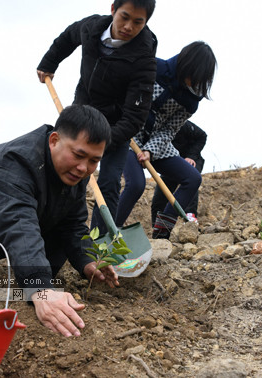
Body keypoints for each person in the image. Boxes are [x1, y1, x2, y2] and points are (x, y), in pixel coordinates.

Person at [0, 105, 118, 337]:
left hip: (0, 235)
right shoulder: (18, 160)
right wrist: (40, 288)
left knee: (57, 229)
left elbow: (73, 225)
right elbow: (17, 222)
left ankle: (35, 287)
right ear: (54, 140)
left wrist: (89, 261)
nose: (83, 168)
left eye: (93, 161)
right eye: (78, 155)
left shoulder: (75, 173)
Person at [36, 0, 158, 235]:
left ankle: (100, 244)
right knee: (61, 166)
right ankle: (52, 228)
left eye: (138, 22)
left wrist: (101, 143)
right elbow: (68, 37)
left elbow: (135, 116)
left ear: (146, 23)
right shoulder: (92, 28)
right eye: (124, 17)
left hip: (116, 126)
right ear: (113, 9)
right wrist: (49, 62)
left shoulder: (144, 59)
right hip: (82, 111)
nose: (128, 27)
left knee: (109, 182)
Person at [114, 41, 217, 239]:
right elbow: (126, 96)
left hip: (157, 142)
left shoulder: (191, 100)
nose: (193, 82)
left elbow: (170, 129)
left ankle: (161, 234)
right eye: (192, 75)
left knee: (192, 178)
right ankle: (109, 233)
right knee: (136, 184)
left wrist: (151, 150)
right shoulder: (155, 69)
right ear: (185, 64)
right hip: (128, 132)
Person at [150, 120, 207, 225]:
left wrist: (191, 156)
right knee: (160, 195)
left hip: (191, 160)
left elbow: (202, 136)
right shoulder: (154, 129)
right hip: (170, 160)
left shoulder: (181, 123)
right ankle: (157, 226)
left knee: (191, 181)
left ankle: (190, 215)